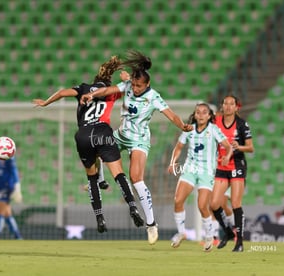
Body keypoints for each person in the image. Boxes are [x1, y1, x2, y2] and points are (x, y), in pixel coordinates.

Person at [81, 50, 193, 245]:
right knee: (97, 146)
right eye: (133, 85)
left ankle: (151, 224)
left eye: (139, 86)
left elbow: (171, 115)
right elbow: (108, 91)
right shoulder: (128, 86)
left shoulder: (154, 97)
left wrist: (182, 125)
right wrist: (92, 94)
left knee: (136, 179)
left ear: (147, 84)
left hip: (139, 140)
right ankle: (100, 181)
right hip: (121, 134)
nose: (135, 88)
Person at [32, 56, 144, 233]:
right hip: (103, 132)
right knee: (119, 174)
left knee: (91, 178)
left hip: (83, 135)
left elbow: (61, 93)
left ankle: (100, 218)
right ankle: (133, 208)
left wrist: (45, 102)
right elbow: (134, 91)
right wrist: (128, 80)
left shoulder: (83, 88)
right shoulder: (110, 91)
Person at [168, 103, 232, 252]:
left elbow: (228, 146)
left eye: (204, 112)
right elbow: (178, 147)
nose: (201, 115)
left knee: (203, 206)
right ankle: (181, 232)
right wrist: (173, 162)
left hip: (207, 171)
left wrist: (227, 157)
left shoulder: (213, 130)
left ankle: (209, 236)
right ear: (195, 115)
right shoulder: (188, 129)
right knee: (178, 200)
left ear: (209, 116)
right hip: (190, 168)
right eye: (198, 112)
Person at [210, 94, 254, 252]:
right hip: (221, 166)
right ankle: (228, 231)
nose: (228, 106)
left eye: (231, 104)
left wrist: (238, 146)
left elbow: (250, 147)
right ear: (222, 106)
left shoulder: (242, 124)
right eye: (225, 103)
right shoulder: (215, 121)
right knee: (214, 204)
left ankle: (239, 242)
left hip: (237, 166)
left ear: (237, 107)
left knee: (236, 204)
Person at [0, 155, 23, 240]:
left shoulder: (10, 161)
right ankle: (17, 235)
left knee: (0, 209)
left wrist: (17, 190)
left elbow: (15, 174)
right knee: (7, 213)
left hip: (7, 188)